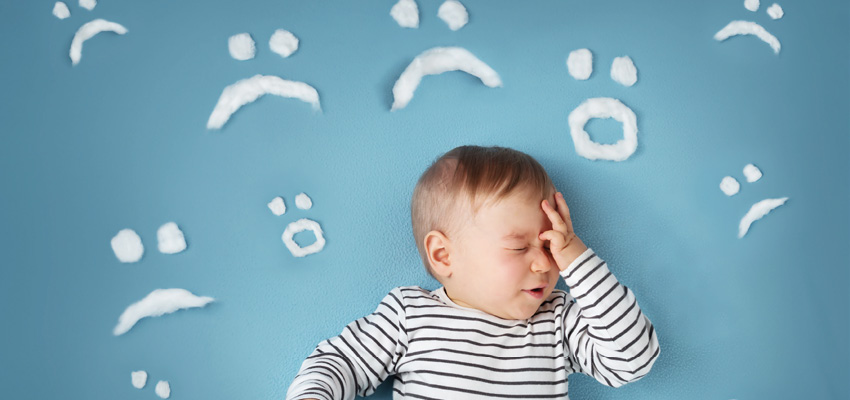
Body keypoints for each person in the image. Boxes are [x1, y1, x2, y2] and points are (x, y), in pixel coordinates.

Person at [285, 145, 660, 400]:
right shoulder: (410, 316)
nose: (546, 264)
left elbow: (633, 361)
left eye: (550, 246)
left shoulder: (557, 321)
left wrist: (576, 257)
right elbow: (343, 362)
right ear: (443, 255)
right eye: (519, 247)